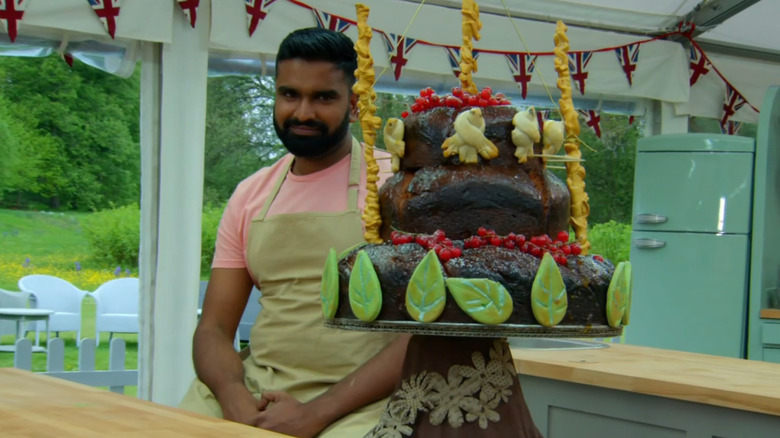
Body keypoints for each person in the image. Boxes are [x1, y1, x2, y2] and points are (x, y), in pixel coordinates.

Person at [179, 27, 409, 438]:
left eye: (323, 98)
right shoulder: (251, 195)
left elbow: (426, 334)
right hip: (256, 391)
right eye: (290, 95)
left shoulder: (396, 185)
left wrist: (316, 414)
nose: (303, 112)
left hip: (362, 402)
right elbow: (213, 329)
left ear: (354, 105)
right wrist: (234, 400)